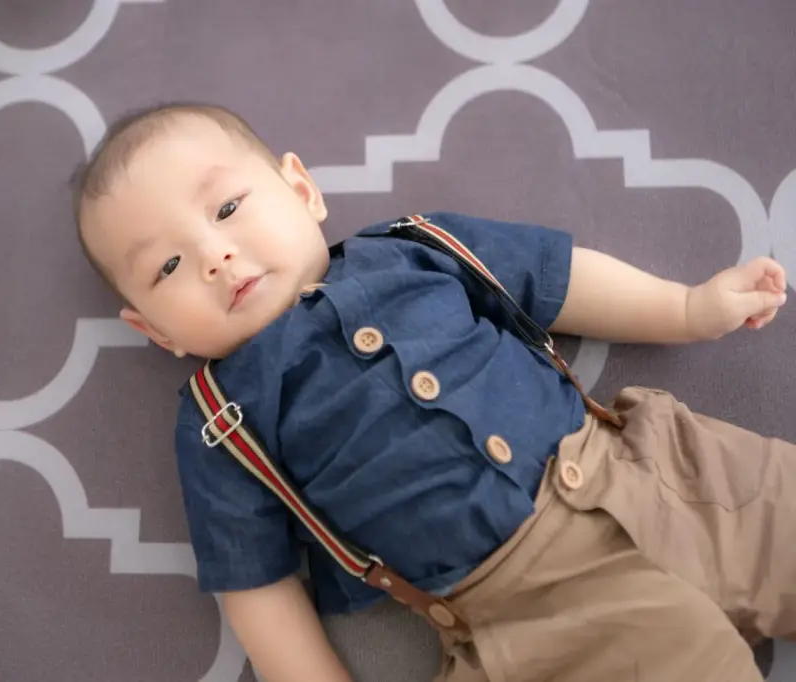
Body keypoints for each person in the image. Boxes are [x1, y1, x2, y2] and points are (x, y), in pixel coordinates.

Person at [72, 101, 794, 682]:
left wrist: (687, 309)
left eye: (227, 209)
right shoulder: (221, 421)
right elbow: (257, 593)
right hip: (540, 612)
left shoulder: (416, 246)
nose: (214, 256)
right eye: (167, 265)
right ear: (154, 329)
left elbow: (560, 279)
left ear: (301, 189)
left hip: (653, 466)